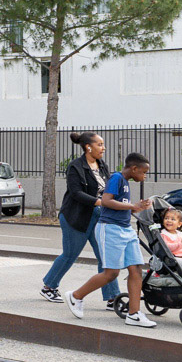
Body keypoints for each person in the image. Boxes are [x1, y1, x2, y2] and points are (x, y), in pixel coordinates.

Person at [67, 152, 157, 328]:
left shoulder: (125, 183)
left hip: (125, 228)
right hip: (110, 229)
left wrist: (137, 208)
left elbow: (121, 207)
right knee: (111, 273)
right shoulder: (116, 178)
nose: (145, 176)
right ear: (134, 168)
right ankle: (75, 296)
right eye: (144, 172)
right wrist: (132, 205)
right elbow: (106, 201)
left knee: (136, 269)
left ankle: (134, 314)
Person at [39, 131, 121, 310]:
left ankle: (113, 298)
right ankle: (49, 287)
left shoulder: (102, 165)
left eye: (103, 144)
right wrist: (100, 201)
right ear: (88, 147)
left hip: (99, 216)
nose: (103, 148)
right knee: (70, 254)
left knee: (105, 256)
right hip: (75, 217)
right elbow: (76, 193)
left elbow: (107, 188)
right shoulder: (75, 166)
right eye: (100, 144)